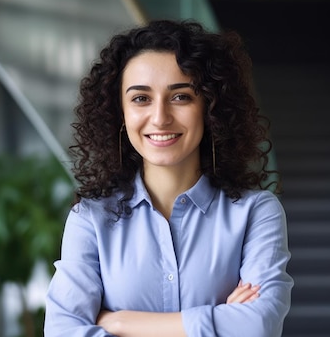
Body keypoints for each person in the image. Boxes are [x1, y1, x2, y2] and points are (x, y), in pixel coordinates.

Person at [44, 19, 293, 337]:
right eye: (140, 98)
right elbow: (62, 331)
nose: (160, 118)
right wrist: (218, 321)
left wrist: (120, 323)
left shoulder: (256, 212)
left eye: (180, 97)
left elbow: (258, 326)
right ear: (120, 112)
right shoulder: (91, 218)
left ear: (210, 106)